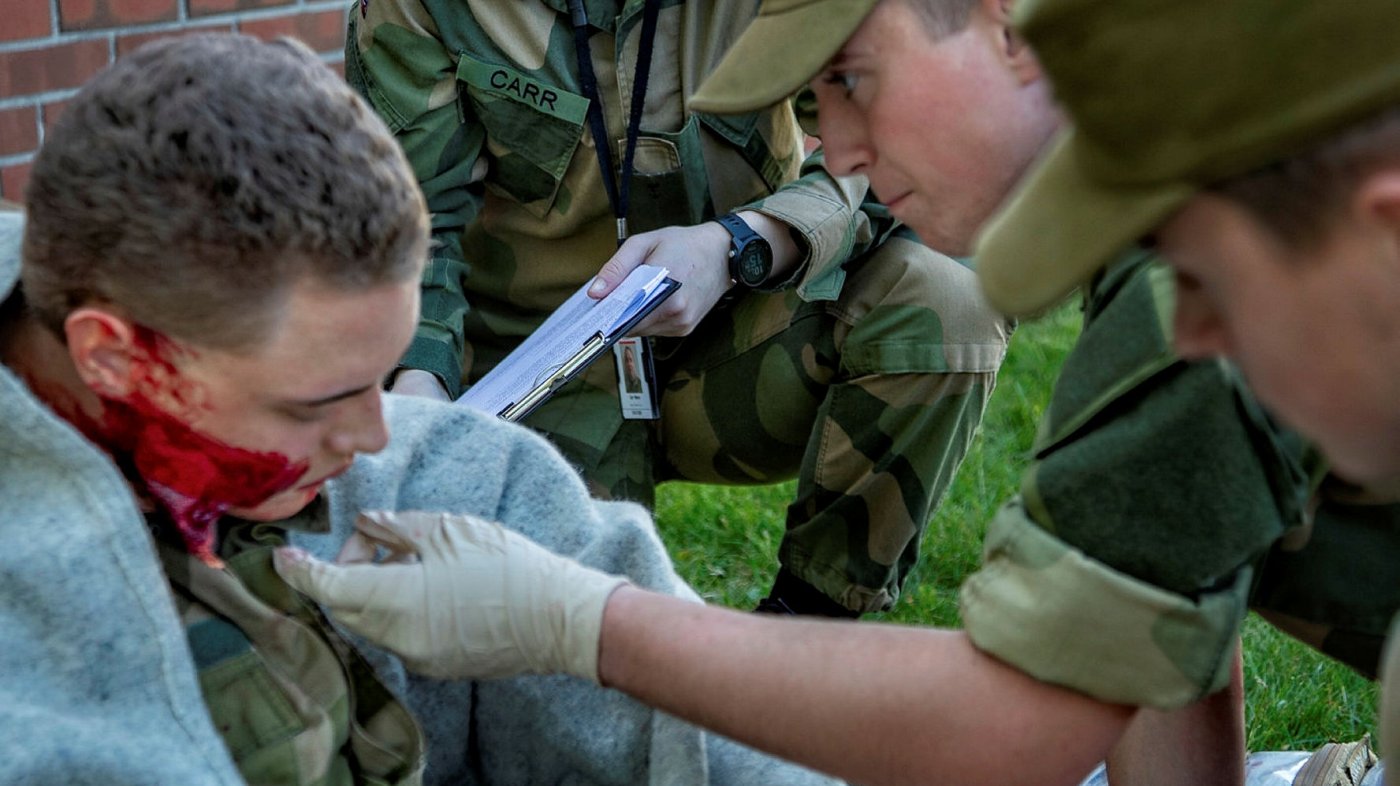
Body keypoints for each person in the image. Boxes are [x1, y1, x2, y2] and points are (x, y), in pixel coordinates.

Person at [277, 1, 1398, 785]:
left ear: (1010, 27)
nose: (835, 148)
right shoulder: (1198, 191)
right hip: (539, 361)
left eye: (848, 82)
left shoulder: (1184, 280)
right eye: (811, 103)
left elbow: (1012, 725)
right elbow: (1150, 613)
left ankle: (809, 630)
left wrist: (579, 621)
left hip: (723, 332)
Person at [0, 33, 840, 785]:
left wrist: (591, 625)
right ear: (114, 357)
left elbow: (735, 748)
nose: (376, 437)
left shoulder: (445, 473)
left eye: (381, 376)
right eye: (318, 400)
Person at [357, 0, 1012, 616]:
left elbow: (891, 134)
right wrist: (419, 392)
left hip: (739, 329)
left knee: (948, 302)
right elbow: (409, 219)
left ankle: (803, 629)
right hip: (532, 369)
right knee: (554, 655)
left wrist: (742, 242)